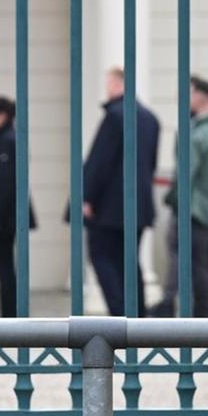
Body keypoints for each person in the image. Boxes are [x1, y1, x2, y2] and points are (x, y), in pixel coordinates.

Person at [80, 67, 162, 317]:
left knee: (102, 256)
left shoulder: (116, 116)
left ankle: (120, 313)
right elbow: (152, 163)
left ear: (117, 84)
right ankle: (137, 314)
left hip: (109, 206)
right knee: (129, 260)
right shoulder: (150, 118)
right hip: (138, 203)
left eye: (108, 83)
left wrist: (87, 196)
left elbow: (100, 161)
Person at [151, 76, 208, 317]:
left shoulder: (195, 133)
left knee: (194, 262)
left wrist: (173, 200)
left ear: (199, 95)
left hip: (196, 211)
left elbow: (185, 175)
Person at [0, 97, 36, 318]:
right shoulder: (6, 139)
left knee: (4, 268)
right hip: (8, 215)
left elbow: (4, 184)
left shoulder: (5, 141)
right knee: (6, 268)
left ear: (1, 115)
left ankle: (10, 315)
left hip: (4, 218)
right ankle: (11, 313)